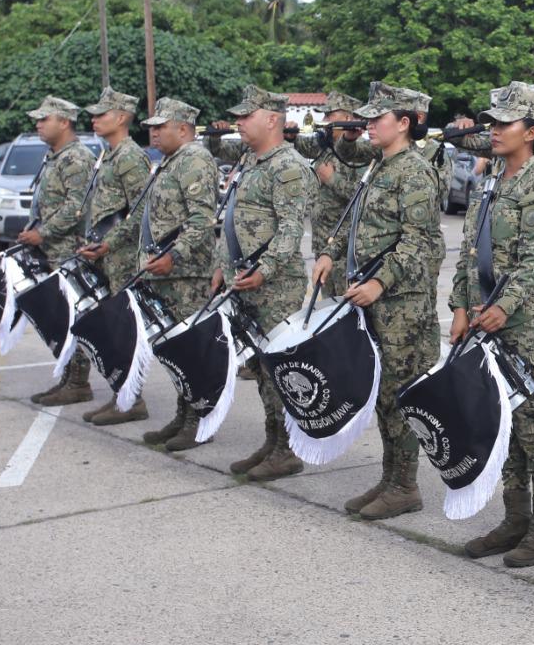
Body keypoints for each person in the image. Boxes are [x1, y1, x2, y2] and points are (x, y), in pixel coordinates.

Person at [450, 82, 534, 566]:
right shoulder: (491, 181)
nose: (495, 130)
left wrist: (504, 306)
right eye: (493, 122)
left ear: (532, 131)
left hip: (529, 327)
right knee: (503, 421)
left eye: (505, 123)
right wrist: (461, 307)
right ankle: (515, 519)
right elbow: (468, 253)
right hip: (486, 322)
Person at [313, 82, 445, 519]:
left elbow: (419, 241)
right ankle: (391, 478)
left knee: (399, 393)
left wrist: (380, 283)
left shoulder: (414, 172)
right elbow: (353, 219)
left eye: (377, 118)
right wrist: (330, 252)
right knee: (384, 394)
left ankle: (405, 485)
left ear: (403, 123)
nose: (368, 125)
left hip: (402, 304)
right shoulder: (379, 166)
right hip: (376, 301)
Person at [84, 98, 218, 450]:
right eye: (151, 127)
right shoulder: (169, 161)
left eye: (161, 126)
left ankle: (200, 421)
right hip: (164, 273)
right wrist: (111, 244)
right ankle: (183, 416)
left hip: (186, 274)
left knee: (190, 349)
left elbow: (202, 219)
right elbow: (141, 217)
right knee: (174, 350)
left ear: (183, 129)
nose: (153, 132)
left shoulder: (195, 160)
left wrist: (174, 255)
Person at [213, 86, 314, 481]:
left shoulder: (287, 165)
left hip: (275, 287)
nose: (238, 122)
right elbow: (232, 218)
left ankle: (286, 449)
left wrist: (265, 269)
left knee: (278, 370)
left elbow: (290, 229)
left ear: (272, 119)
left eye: (246, 115)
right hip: (244, 282)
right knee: (260, 368)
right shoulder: (250, 160)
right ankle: (273, 442)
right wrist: (222, 265)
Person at [78, 88, 154, 426]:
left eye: (101, 114)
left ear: (122, 117)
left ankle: (130, 399)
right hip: (106, 256)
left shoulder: (130, 157)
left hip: (123, 258)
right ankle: (122, 394)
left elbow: (141, 211)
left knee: (124, 331)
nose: (94, 119)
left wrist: (110, 243)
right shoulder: (108, 154)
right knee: (110, 329)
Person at [17, 97, 96, 407]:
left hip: (68, 252)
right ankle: (67, 376)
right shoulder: (55, 156)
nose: (38, 124)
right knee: (56, 317)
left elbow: (77, 207)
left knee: (70, 315)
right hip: (50, 251)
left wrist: (43, 232)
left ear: (64, 122)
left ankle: (78, 382)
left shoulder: (77, 158)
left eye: (44, 119)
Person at [294, 90, 366, 298]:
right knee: (326, 306)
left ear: (347, 119)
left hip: (346, 251)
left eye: (330, 115)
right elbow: (297, 143)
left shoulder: (361, 151)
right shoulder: (324, 146)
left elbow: (365, 198)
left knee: (347, 306)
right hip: (322, 245)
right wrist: (290, 134)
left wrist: (332, 180)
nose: (324, 120)